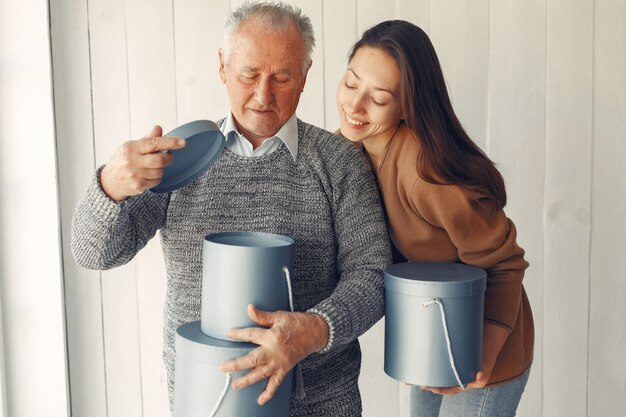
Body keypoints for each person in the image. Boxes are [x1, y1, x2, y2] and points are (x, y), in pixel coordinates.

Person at [71, 2, 391, 416]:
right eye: (248, 74)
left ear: (305, 76)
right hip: (203, 400)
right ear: (222, 67)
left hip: (321, 403)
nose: (263, 94)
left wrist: (314, 330)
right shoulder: (178, 159)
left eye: (282, 77)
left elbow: (373, 274)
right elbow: (92, 253)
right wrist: (109, 185)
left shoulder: (339, 162)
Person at [336, 20, 533, 417]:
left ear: (408, 104)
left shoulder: (425, 172)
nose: (354, 106)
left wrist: (483, 358)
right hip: (433, 338)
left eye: (379, 97)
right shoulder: (348, 150)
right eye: (351, 83)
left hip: (487, 342)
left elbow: (504, 263)